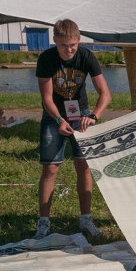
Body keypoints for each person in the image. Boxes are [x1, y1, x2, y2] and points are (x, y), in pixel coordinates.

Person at [34, 19, 111, 240]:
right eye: (63, 46)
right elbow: (46, 98)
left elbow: (105, 94)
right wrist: (59, 119)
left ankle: (86, 218)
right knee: (50, 168)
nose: (69, 50)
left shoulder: (86, 56)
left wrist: (94, 116)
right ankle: (43, 222)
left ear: (78, 41)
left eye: (73, 45)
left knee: (83, 165)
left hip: (81, 113)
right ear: (55, 41)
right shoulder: (46, 59)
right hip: (54, 115)